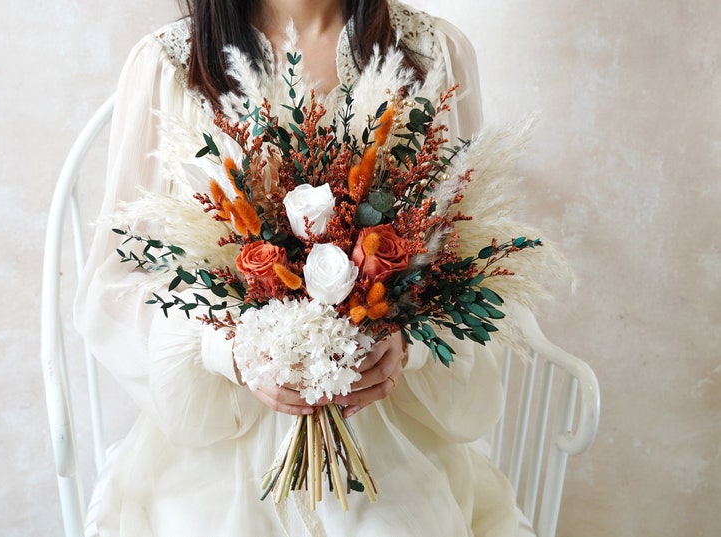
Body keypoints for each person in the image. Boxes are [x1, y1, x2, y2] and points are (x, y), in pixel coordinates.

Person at [75, 0, 532, 535]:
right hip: (227, 433)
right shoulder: (167, 64)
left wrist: (405, 342)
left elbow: (464, 250)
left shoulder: (435, 53)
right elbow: (115, 284)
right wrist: (232, 350)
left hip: (385, 421)